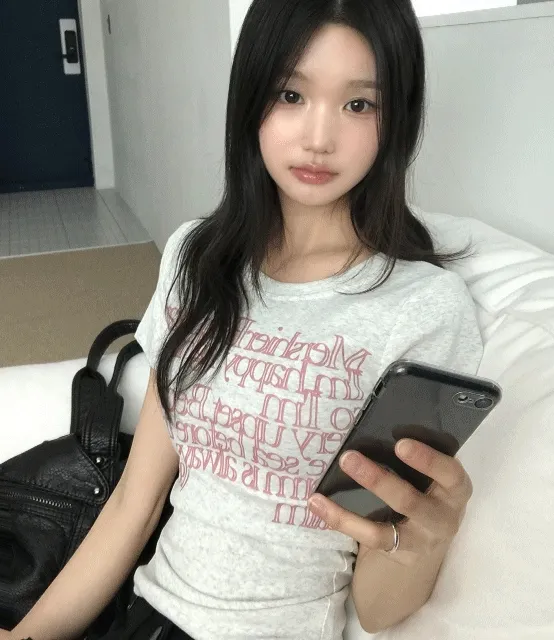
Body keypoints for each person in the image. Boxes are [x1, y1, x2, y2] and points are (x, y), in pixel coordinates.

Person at [3, 0, 484, 638]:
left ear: (397, 118)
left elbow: (376, 607)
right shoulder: (196, 258)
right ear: (251, 96)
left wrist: (426, 539)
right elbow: (135, 504)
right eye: (291, 94)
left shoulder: (422, 309)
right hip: (146, 616)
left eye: (358, 104)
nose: (319, 137)